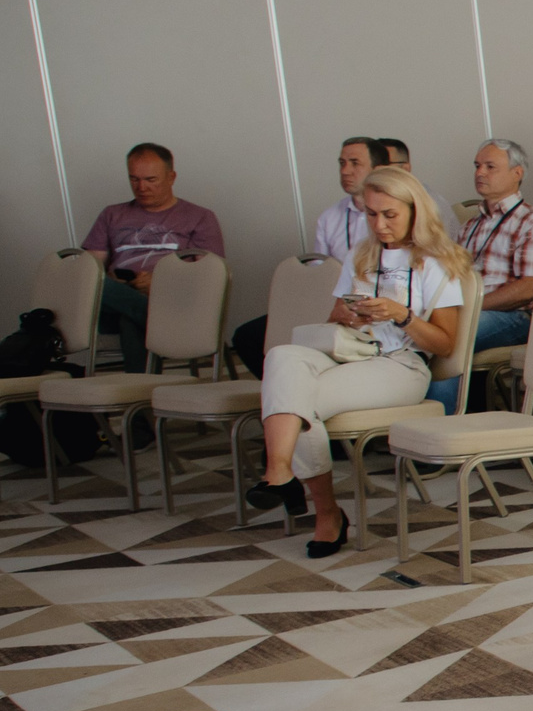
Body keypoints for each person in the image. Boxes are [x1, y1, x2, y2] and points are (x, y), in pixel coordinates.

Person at [246, 167, 470, 560]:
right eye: (371, 214)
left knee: (301, 401)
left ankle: (325, 513)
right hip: (355, 352)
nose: (379, 224)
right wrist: (354, 314)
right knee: (281, 357)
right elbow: (335, 316)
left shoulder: (437, 262)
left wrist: (401, 315)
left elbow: (446, 344)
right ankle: (279, 471)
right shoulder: (360, 255)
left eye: (389, 214)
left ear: (415, 211)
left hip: (403, 365)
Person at [231, 137, 391, 378]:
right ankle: (289, 385)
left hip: (379, 305)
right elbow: (319, 272)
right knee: (248, 335)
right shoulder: (329, 217)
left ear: (378, 170)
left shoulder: (395, 215)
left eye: (355, 163)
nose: (345, 170)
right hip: (334, 304)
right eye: (341, 163)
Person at [428, 139, 533, 413]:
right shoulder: (470, 226)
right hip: (473, 312)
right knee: (427, 331)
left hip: (516, 318)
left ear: (517, 173)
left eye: (490, 166)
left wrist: (470, 307)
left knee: (450, 337)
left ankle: (444, 427)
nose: (480, 173)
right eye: (478, 166)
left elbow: (531, 287)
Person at [84, 143, 224, 373]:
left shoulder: (199, 217)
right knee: (91, 280)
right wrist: (112, 279)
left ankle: (141, 399)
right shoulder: (112, 214)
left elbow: (210, 278)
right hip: (120, 302)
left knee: (129, 319)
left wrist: (160, 284)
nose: (141, 188)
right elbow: (90, 268)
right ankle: (151, 315)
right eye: (134, 179)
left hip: (174, 300)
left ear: (171, 177)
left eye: (151, 180)